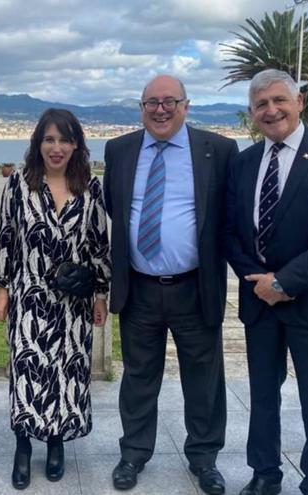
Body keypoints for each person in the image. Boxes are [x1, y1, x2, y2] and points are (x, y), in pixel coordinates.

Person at [224, 69, 308, 495]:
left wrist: (282, 282)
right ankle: (264, 473)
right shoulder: (244, 162)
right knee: (263, 398)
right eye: (261, 104)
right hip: (261, 303)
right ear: (252, 113)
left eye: (279, 100)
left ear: (300, 102)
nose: (271, 110)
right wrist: (259, 283)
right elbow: (231, 232)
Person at [103, 75, 237, 494]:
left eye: (169, 101)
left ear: (186, 105)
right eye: (151, 103)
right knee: (139, 376)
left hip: (195, 287)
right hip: (139, 287)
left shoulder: (218, 150)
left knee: (204, 378)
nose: (160, 109)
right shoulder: (120, 150)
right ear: (141, 107)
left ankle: (204, 459)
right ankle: (133, 455)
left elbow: (230, 215)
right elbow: (113, 205)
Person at [0, 108, 111, 489]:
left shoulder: (90, 187)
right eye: (49, 139)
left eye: (64, 139)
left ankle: (57, 441)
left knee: (68, 371)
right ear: (38, 144)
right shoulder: (19, 184)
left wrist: (99, 293)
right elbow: (7, 236)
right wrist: (1, 287)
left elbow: (97, 244)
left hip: (73, 301)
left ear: (76, 144)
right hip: (30, 295)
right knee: (28, 371)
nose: (56, 147)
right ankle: (23, 445)